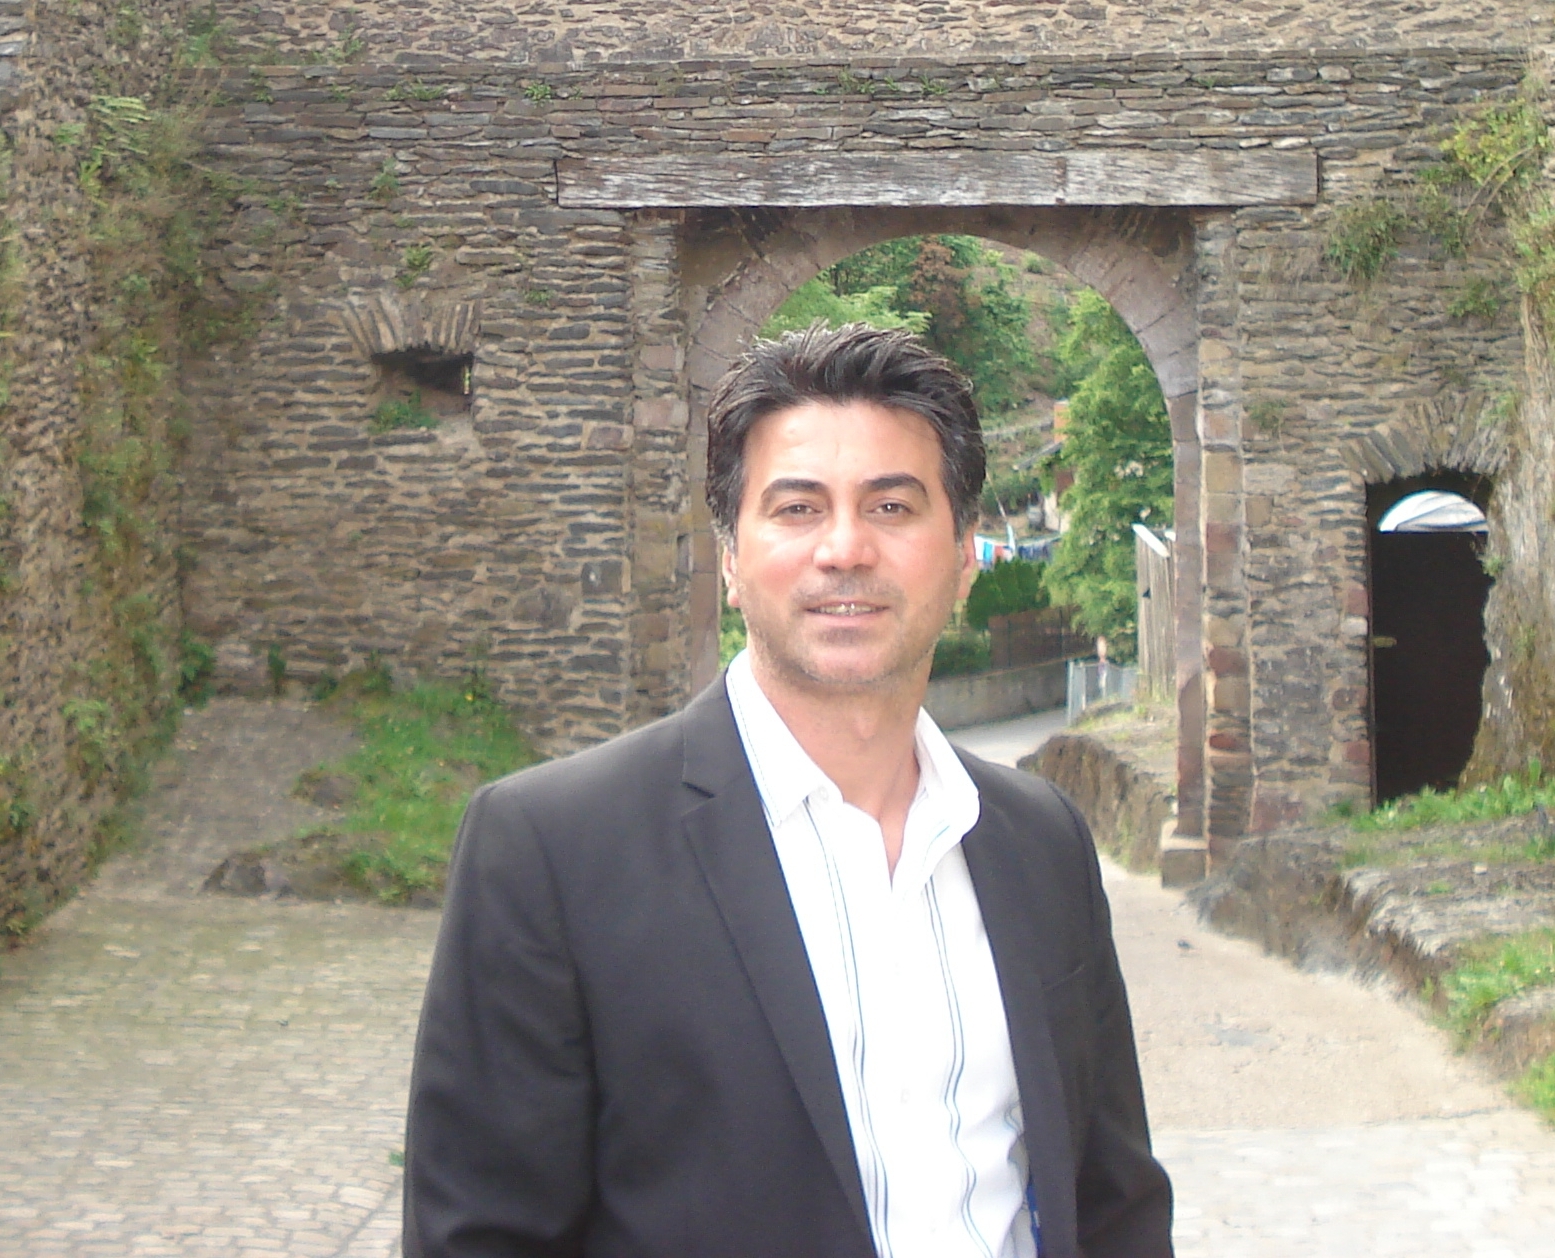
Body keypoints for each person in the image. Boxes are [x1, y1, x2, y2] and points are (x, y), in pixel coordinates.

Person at [403, 322, 1172, 1258]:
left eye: (891, 506)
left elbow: (1113, 1199)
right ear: (730, 557)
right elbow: (481, 1236)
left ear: (965, 553)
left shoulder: (1040, 839)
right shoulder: (552, 852)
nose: (844, 548)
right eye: (798, 508)